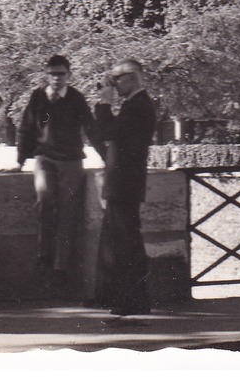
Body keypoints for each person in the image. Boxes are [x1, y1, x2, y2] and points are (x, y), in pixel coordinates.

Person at [16, 55, 102, 279]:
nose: (56, 78)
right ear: (46, 75)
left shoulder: (76, 98)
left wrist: (106, 156)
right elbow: (25, 128)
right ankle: (44, 257)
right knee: (44, 202)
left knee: (68, 210)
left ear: (68, 75)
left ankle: (61, 265)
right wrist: (20, 160)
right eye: (52, 74)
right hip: (45, 158)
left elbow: (91, 128)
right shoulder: (38, 97)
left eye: (61, 74)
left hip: (72, 161)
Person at [90, 59, 158, 318]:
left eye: (116, 79)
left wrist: (105, 103)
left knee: (126, 244)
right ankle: (121, 297)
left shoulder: (138, 106)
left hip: (125, 183)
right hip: (122, 182)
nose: (114, 85)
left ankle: (133, 301)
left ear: (130, 78)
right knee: (119, 243)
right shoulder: (135, 105)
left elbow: (108, 131)